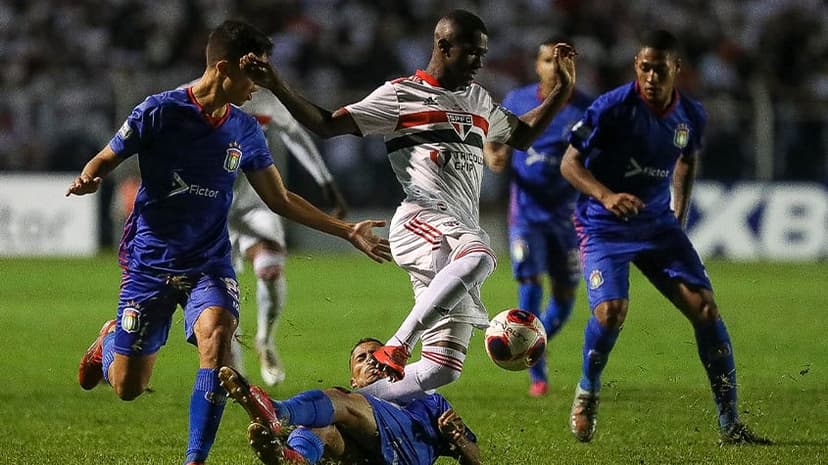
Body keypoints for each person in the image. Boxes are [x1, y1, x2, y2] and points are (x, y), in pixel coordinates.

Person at [67, 20, 391, 465]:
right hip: (151, 262)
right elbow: (107, 156)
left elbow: (279, 198)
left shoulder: (244, 128)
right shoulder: (158, 111)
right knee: (127, 387)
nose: (258, 86)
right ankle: (107, 346)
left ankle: (194, 459)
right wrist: (90, 176)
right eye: (252, 75)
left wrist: (346, 229)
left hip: (209, 263)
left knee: (218, 339)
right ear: (223, 68)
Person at [239, 9, 576, 403]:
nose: (479, 63)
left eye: (483, 55)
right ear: (443, 46)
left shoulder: (478, 100)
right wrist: (277, 83)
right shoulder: (400, 95)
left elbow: (522, 135)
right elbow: (328, 124)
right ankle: (397, 345)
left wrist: (562, 89)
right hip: (421, 219)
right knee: (482, 255)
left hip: (456, 232)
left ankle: (325, 411)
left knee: (441, 369)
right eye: (472, 53)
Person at [559, 29, 769, 444]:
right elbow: (569, 163)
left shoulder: (691, 115)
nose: (650, 76)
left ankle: (730, 425)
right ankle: (587, 389)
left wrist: (680, 216)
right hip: (603, 224)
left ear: (677, 68)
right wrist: (605, 194)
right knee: (612, 311)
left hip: (657, 226)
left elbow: (687, 161)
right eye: (643, 68)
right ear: (636, 67)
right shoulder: (612, 108)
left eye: (659, 68)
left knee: (706, 310)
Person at [483, 37, 593, 397]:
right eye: (547, 60)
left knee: (564, 298)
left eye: (561, 61)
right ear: (537, 64)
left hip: (566, 217)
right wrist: (492, 155)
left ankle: (529, 344)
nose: (554, 67)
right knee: (529, 287)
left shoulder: (587, 109)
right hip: (525, 215)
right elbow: (490, 135)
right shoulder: (517, 100)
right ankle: (536, 372)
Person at [227, 88, 349, 386]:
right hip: (209, 207)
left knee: (270, 266)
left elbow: (294, 135)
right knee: (218, 291)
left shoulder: (264, 101)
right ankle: (234, 367)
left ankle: (265, 341)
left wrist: (326, 181)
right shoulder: (189, 98)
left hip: (256, 202)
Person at [218, 338, 481, 465]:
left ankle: (277, 411)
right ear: (354, 379)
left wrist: (459, 440)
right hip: (364, 458)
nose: (372, 362)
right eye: (362, 358)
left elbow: (474, 460)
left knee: (334, 399)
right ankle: (294, 459)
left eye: (378, 356)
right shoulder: (351, 402)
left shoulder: (428, 399)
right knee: (322, 421)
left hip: (408, 457)